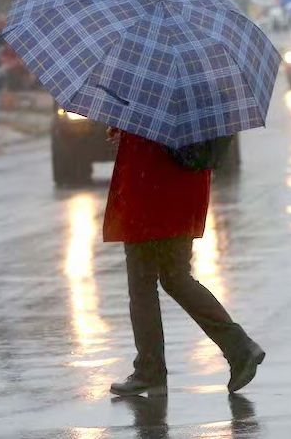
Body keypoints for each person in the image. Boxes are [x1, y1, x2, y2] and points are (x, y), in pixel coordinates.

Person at [104, 128, 265, 397]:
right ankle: (239, 348)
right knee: (176, 276)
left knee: (142, 284)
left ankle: (150, 370)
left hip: (149, 185)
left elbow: (151, 123)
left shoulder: (151, 87)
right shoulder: (198, 89)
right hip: (184, 186)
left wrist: (127, 128)